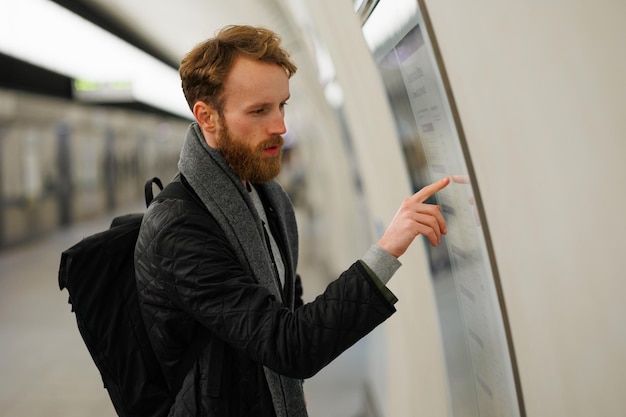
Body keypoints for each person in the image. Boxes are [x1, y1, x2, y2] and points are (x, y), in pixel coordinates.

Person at [134, 24, 450, 417]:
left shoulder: (267, 195)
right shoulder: (179, 227)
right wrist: (386, 251)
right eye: (259, 111)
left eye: (281, 105)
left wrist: (286, 389)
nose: (280, 126)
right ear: (207, 116)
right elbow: (288, 345)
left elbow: (286, 300)